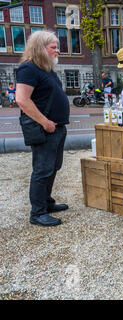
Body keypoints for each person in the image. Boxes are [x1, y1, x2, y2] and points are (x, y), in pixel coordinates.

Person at [15, 30, 70, 227]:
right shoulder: (28, 68)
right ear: (40, 48)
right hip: (44, 129)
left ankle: (46, 203)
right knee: (42, 170)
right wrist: (45, 122)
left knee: (52, 167)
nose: (57, 51)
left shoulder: (45, 69)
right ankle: (37, 213)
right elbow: (22, 99)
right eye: (53, 47)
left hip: (56, 128)